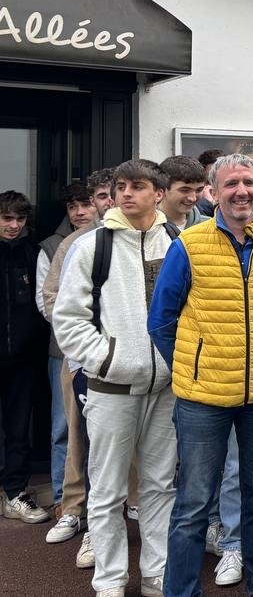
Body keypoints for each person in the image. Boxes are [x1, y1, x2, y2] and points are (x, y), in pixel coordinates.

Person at [148, 154, 253, 597]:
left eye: (249, 183)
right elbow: (161, 320)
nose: (242, 191)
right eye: (231, 183)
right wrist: (195, 362)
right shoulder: (189, 244)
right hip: (202, 396)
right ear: (213, 193)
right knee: (194, 504)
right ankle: (180, 591)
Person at [54, 159, 178, 597]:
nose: (126, 194)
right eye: (121, 186)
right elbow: (67, 318)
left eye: (138, 186)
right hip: (110, 387)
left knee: (161, 487)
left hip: (166, 388)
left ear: (158, 194)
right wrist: (104, 359)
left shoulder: (180, 243)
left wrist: (177, 362)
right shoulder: (92, 246)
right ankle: (108, 580)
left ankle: (156, 575)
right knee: (106, 491)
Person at [39, 169, 114, 555]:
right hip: (80, 360)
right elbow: (53, 300)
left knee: (119, 443)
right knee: (76, 437)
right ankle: (72, 508)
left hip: (128, 364)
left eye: (109, 194)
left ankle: (114, 516)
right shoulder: (73, 243)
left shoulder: (143, 239)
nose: (106, 202)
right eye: (99, 196)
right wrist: (89, 350)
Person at [36, 180, 97, 518]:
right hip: (63, 351)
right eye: (73, 207)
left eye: (85, 204)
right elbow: (49, 301)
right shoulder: (55, 246)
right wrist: (75, 336)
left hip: (102, 355)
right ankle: (64, 498)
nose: (80, 212)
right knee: (65, 426)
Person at [0, 190, 53, 524]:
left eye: (19, 219)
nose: (13, 225)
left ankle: (15, 493)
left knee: (18, 429)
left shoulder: (33, 254)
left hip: (22, 359)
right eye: (7, 218)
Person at [159, 156, 211, 230]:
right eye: (185, 190)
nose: (193, 198)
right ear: (163, 188)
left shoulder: (210, 227)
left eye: (199, 190)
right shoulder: (144, 227)